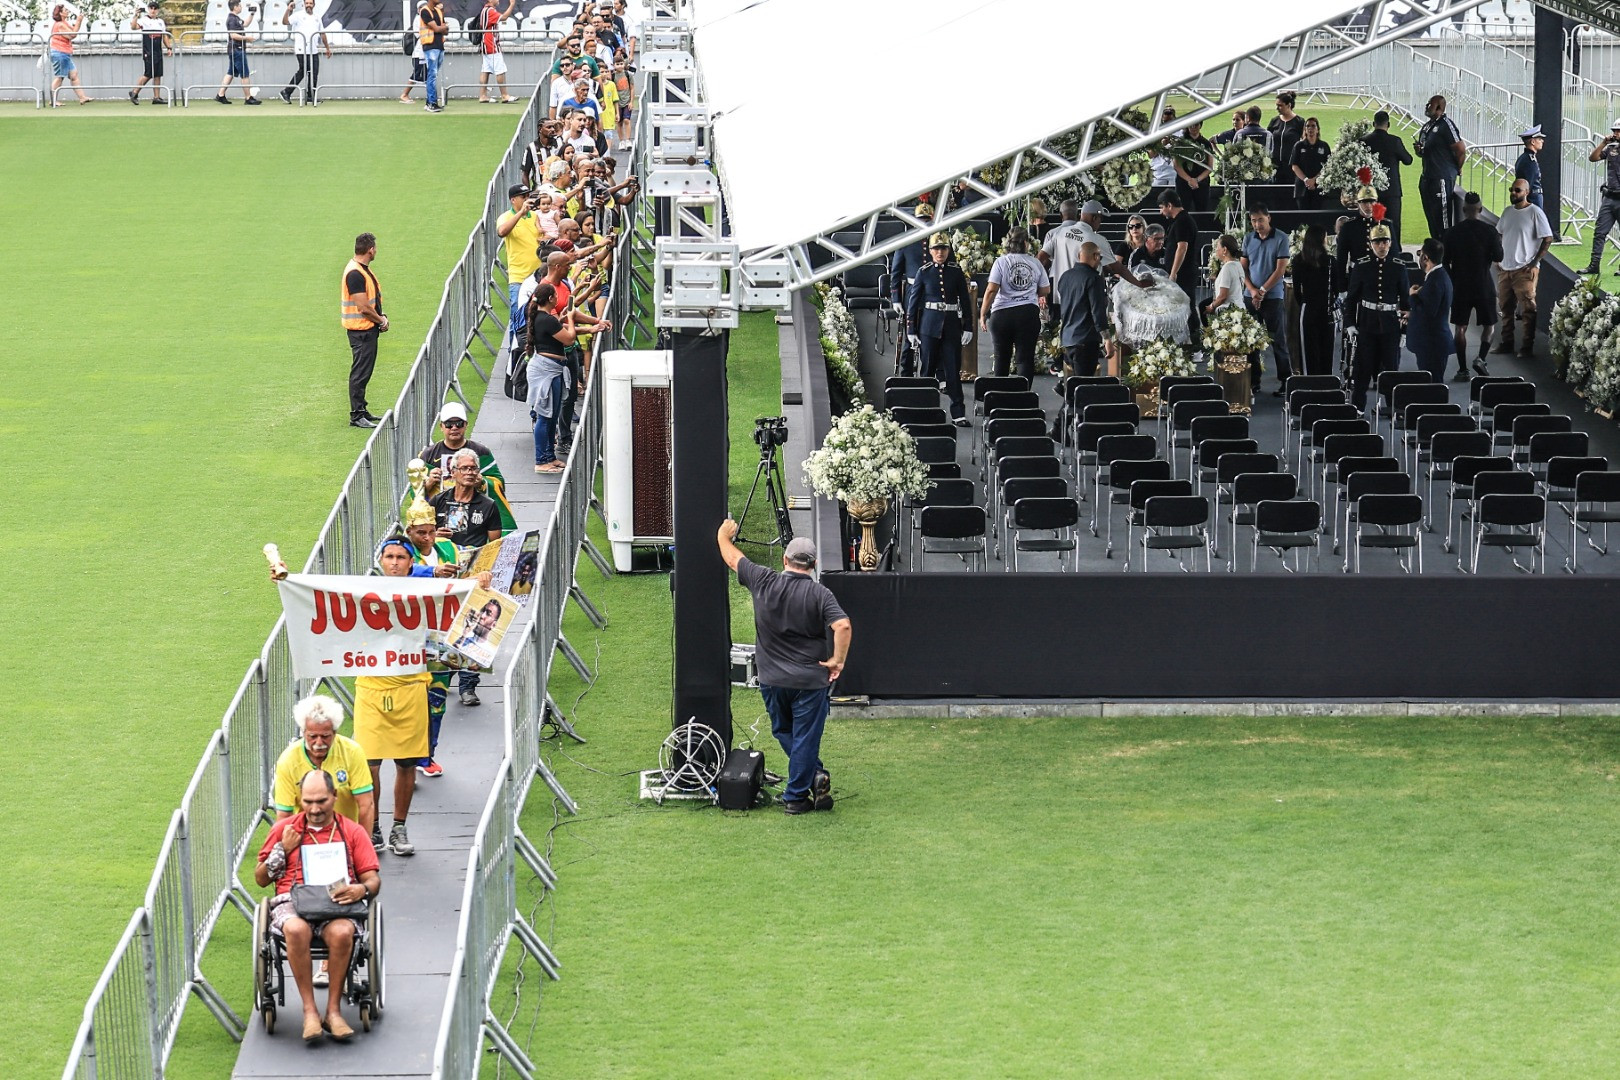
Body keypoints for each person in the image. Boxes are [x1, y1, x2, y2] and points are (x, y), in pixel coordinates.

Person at [716, 525, 851, 815]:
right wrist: (837, 661)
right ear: (814, 565)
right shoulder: (820, 594)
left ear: (784, 560)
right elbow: (842, 625)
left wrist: (722, 537)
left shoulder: (764, 580)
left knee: (783, 730)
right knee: (805, 737)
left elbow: (732, 559)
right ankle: (800, 793)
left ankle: (800, 789)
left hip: (772, 679)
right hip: (810, 680)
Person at [254, 770, 381, 1043]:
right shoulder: (283, 830)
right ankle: (310, 1011)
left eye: (321, 801)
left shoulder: (352, 831)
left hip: (335, 902)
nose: (314, 809)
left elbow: (372, 879)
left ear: (334, 797)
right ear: (300, 800)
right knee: (296, 930)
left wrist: (361, 888)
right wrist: (282, 850)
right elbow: (261, 879)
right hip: (292, 901)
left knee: (342, 933)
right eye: (308, 801)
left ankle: (333, 1011)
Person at [273, 695, 376, 836]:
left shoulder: (352, 752)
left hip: (346, 835)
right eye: (312, 736)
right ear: (303, 732)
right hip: (305, 837)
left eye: (325, 736)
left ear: (335, 732)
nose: (319, 743)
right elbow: (284, 815)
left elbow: (366, 805)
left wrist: (363, 845)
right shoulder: (287, 760)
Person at [906, 234, 973, 426]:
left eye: (943, 248)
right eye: (936, 249)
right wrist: (911, 329)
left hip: (951, 325)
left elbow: (965, 301)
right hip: (929, 325)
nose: (940, 252)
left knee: (953, 370)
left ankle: (958, 413)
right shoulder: (924, 272)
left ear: (948, 250)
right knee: (926, 369)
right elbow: (913, 302)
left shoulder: (956, 271)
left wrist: (968, 326)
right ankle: (925, 409)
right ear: (930, 251)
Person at [1344, 221, 1409, 411]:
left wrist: (1404, 330)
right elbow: (1351, 298)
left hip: (1390, 324)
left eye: (1385, 242)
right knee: (1363, 368)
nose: (1381, 246)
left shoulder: (1398, 267)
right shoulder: (1362, 266)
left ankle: (1392, 408)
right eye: (1377, 242)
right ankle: (1358, 407)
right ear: (1371, 244)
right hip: (1367, 323)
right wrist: (1350, 323)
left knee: (1390, 369)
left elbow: (1405, 302)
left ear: (1390, 243)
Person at [1442, 191, 1503, 378]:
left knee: (1460, 328)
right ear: (1481, 209)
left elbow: (1445, 262)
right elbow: (1499, 257)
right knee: (1489, 325)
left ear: (1463, 209)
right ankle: (1480, 358)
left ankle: (1462, 369)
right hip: (1484, 284)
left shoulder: (1452, 233)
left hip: (1460, 286)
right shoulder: (1490, 232)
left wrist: (1453, 279)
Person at [979, 228, 1050, 381]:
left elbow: (992, 290)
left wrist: (983, 313)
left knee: (1001, 357)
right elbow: (1045, 289)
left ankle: (1000, 396)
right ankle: (1023, 396)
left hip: (1002, 314)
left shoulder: (1001, 262)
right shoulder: (1035, 263)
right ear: (1026, 244)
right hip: (1027, 314)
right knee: (1025, 358)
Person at [1494, 180, 1554, 358]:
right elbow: (1499, 234)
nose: (1513, 193)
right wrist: (1498, 257)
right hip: (1506, 269)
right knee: (1505, 308)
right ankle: (1507, 343)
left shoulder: (1535, 212)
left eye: (1517, 190)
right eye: (1511, 190)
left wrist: (1534, 262)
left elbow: (1548, 238)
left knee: (1528, 309)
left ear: (1526, 192)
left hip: (1524, 270)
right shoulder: (1507, 212)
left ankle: (1527, 346)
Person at [1240, 205, 1294, 395]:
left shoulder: (1281, 238)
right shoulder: (1248, 238)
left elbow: (1280, 270)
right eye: (1253, 221)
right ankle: (1254, 382)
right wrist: (1252, 290)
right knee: (1250, 342)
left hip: (1273, 297)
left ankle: (1286, 381)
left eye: (1260, 220)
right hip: (1250, 296)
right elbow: (1243, 268)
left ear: (1268, 218)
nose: (1257, 224)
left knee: (1277, 340)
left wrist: (1261, 291)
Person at [525, 282, 575, 473]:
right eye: (555, 295)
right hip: (546, 371)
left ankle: (549, 456)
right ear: (551, 298)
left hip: (552, 369)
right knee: (544, 416)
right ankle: (541, 460)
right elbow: (569, 338)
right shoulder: (546, 319)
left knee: (552, 414)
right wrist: (570, 318)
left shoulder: (544, 318)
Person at [341, 232, 387, 429]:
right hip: (361, 331)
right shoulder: (355, 273)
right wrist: (381, 320)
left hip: (365, 330)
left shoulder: (360, 269)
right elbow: (363, 307)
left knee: (363, 372)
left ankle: (362, 410)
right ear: (370, 250)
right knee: (360, 373)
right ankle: (357, 414)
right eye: (375, 248)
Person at [498, 184, 544, 346]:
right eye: (523, 197)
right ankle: (513, 355)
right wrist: (520, 213)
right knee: (517, 317)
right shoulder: (506, 217)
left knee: (539, 315)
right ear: (513, 200)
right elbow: (502, 232)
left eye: (528, 196)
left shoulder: (534, 216)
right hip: (518, 277)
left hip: (538, 276)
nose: (527, 199)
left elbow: (541, 235)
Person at [1414, 94, 1465, 240]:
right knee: (1431, 216)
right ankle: (1435, 248)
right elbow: (1425, 150)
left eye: (1430, 104)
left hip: (1441, 178)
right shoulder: (1427, 126)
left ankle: (1445, 252)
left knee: (1443, 219)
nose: (1426, 106)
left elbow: (1460, 149)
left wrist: (1457, 167)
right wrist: (1420, 151)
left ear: (1439, 107)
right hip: (1427, 177)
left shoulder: (1446, 125)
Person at [430, 448, 504, 548]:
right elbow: (422, 537)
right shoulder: (437, 501)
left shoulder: (489, 505)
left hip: (474, 560)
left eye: (473, 468)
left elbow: (495, 546)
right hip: (444, 559)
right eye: (464, 468)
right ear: (453, 472)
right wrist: (436, 536)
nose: (470, 472)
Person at [1057, 242, 1110, 377]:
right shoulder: (1094, 279)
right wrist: (1107, 339)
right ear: (1095, 256)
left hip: (1068, 337)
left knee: (1072, 384)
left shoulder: (1065, 277)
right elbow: (1097, 311)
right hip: (1086, 338)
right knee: (1083, 386)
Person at [1362, 111, 1414, 245]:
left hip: (1371, 192)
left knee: (1373, 223)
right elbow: (1408, 160)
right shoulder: (1395, 141)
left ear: (1374, 124)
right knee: (1393, 224)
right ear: (1388, 125)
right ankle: (1394, 251)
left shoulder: (1364, 141)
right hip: (1392, 191)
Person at [1408, 238, 1455, 382]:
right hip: (1434, 343)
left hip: (1431, 344)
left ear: (1425, 257)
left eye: (1419, 254)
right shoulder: (1440, 275)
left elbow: (1427, 313)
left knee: (1432, 386)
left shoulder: (1434, 281)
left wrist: (1413, 296)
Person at [1291, 224, 1335, 376]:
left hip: (1308, 308)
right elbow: (1335, 287)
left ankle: (1310, 382)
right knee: (1326, 349)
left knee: (1309, 350)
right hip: (1327, 309)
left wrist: (1304, 302)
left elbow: (1296, 290)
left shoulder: (1298, 260)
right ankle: (1326, 382)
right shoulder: (1330, 261)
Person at [1579, 120, 1620, 275]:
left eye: (1619, 131)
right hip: (1609, 197)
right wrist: (1603, 143)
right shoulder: (1611, 149)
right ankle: (1594, 265)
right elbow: (1593, 157)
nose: (1616, 134)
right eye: (1615, 131)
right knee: (1600, 232)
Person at [1157, 191, 1202, 331]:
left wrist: (1174, 272)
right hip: (1183, 273)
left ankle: (1195, 341)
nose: (1161, 212)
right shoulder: (1180, 221)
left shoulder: (1183, 221)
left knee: (1187, 306)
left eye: (1161, 207)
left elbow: (1182, 247)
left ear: (1169, 205)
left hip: (1184, 274)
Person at [277, 0, 330, 106]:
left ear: (314, 5)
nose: (308, 5)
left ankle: (310, 95)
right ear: (303, 5)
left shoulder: (317, 17)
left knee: (314, 73)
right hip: (301, 49)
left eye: (310, 3)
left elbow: (322, 33)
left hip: (313, 49)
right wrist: (288, 10)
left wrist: (327, 48)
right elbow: (285, 22)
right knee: (303, 70)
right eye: (307, 3)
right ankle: (286, 92)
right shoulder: (298, 15)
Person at [1335, 181, 1380, 292]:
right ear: (1358, 203)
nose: (1369, 206)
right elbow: (1341, 259)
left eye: (1371, 202)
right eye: (1364, 202)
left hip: (1379, 276)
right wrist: (1342, 287)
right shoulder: (1349, 227)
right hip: (1356, 277)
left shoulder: (1385, 225)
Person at [214, 0, 261, 105]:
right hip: (237, 49)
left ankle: (220, 94)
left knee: (230, 72)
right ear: (235, 7)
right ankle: (248, 97)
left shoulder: (236, 18)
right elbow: (233, 35)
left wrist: (252, 14)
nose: (241, 7)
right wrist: (247, 38)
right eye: (239, 5)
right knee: (245, 73)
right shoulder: (231, 19)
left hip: (235, 49)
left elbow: (246, 24)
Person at [473, 0, 518, 103]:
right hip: (491, 44)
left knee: (486, 70)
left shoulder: (485, 10)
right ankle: (504, 95)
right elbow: (504, 17)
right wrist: (511, 5)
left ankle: (483, 95)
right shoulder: (490, 11)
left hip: (485, 44)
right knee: (500, 69)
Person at [128, 1, 172, 105]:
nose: (153, 10)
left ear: (158, 10)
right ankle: (134, 92)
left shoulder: (161, 21)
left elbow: (164, 35)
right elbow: (133, 27)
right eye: (151, 8)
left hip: (158, 50)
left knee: (158, 74)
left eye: (155, 8)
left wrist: (169, 47)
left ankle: (156, 97)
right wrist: (135, 15)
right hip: (148, 50)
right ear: (148, 9)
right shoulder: (143, 20)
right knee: (148, 73)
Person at [48, 5, 91, 106]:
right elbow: (72, 35)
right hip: (59, 53)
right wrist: (79, 20)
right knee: (60, 77)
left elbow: (74, 30)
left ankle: (82, 97)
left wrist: (79, 21)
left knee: (73, 74)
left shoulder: (64, 23)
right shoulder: (60, 25)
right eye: (65, 10)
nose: (68, 11)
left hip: (64, 53)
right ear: (60, 13)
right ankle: (53, 100)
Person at [1269, 91, 1306, 202]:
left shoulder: (1299, 122)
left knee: (1290, 196)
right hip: (1275, 166)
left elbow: (1303, 142)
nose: (1278, 108)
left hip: (1291, 167)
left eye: (1280, 105)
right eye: (1277, 105)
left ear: (1289, 105)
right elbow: (1268, 139)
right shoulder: (1275, 121)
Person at [1289, 118, 1331, 212]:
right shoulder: (1299, 146)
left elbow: (1328, 166)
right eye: (1308, 126)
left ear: (1318, 129)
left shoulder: (1324, 146)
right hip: (1302, 188)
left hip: (1319, 188)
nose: (1310, 129)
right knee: (1304, 218)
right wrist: (1306, 180)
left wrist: (1315, 179)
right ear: (1304, 129)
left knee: (1317, 218)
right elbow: (1294, 166)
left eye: (1313, 126)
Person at [1173, 119, 1214, 213]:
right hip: (1183, 183)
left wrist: (1197, 180)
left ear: (1200, 126)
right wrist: (1190, 180)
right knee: (1182, 211)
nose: (1193, 128)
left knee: (1202, 211)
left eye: (1196, 125)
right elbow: (1176, 165)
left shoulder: (1206, 144)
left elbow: (1210, 167)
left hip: (1202, 183)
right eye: (1191, 125)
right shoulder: (1180, 143)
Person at [1204, 234, 1245, 316]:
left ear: (1224, 250)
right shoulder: (1238, 264)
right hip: (1239, 307)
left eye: (1217, 248)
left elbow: (1223, 296)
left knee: (1203, 308)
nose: (1216, 251)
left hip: (1227, 310)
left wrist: (1211, 306)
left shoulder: (1227, 268)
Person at [417, 0, 446, 112]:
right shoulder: (425, 11)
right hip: (430, 46)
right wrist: (442, 28)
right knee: (432, 75)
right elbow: (438, 28)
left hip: (439, 45)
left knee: (433, 74)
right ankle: (432, 103)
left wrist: (442, 28)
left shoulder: (439, 11)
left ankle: (429, 102)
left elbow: (445, 29)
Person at [399, 3, 427, 104]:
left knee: (428, 75)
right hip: (420, 53)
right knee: (417, 74)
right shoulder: (419, 19)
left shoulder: (425, 18)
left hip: (425, 52)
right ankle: (404, 94)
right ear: (418, 10)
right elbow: (421, 34)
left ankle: (432, 96)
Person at [1514, 124, 1546, 211]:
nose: (1542, 141)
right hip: (1532, 199)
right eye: (1539, 139)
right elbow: (1528, 184)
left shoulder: (1525, 158)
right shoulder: (1529, 161)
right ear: (1532, 142)